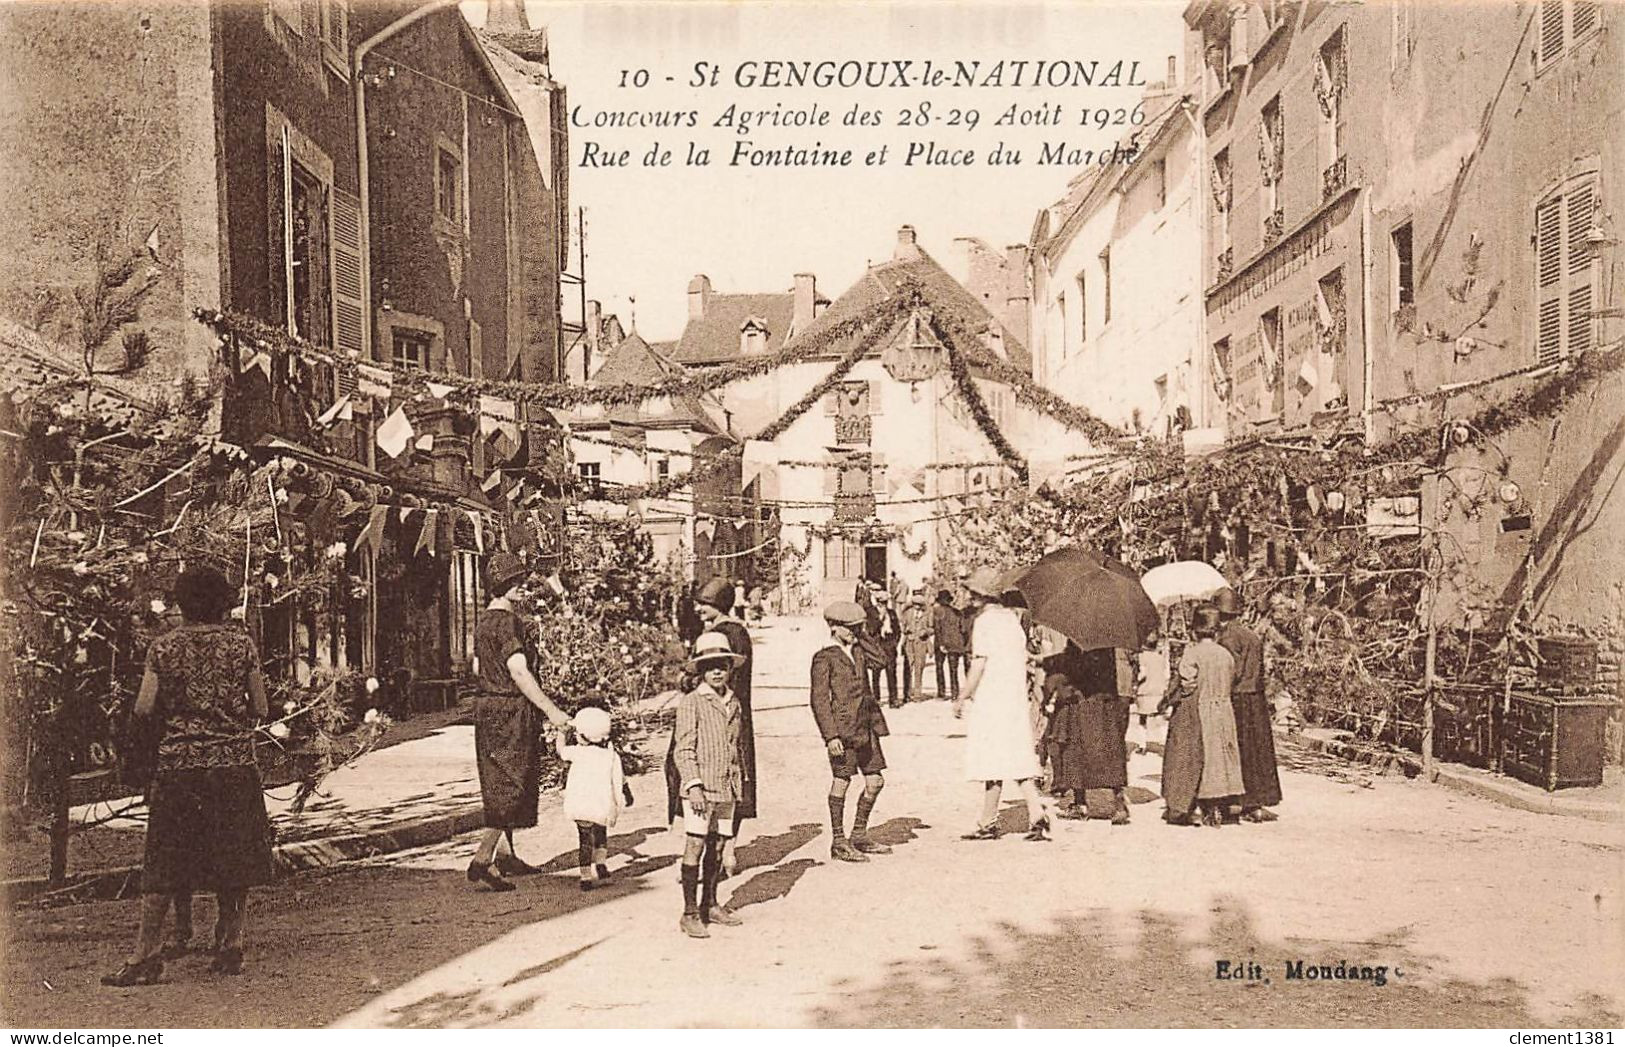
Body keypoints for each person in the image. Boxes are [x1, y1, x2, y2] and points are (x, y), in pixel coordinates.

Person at [103, 566, 273, 986]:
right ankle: (230, 944)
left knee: (165, 861)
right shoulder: (241, 645)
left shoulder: (163, 648)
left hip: (180, 768)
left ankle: (145, 954)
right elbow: (261, 706)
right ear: (222, 602)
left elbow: (144, 708)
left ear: (181, 602)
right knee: (233, 858)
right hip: (234, 764)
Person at [468, 552, 571, 892]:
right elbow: (518, 670)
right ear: (507, 587)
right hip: (509, 708)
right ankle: (484, 857)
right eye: (519, 583)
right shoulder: (508, 622)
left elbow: (476, 667)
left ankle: (506, 856)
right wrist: (551, 710)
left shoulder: (483, 621)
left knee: (499, 777)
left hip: (486, 707)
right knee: (514, 781)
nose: (526, 588)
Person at [665, 577, 756, 877]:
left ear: (718, 605)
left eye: (704, 604)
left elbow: (722, 679)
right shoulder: (731, 631)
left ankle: (716, 854)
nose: (698, 608)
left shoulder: (727, 634)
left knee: (718, 780)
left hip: (719, 716)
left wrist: (689, 680)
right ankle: (721, 853)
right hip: (724, 711)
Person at [957, 567, 1051, 842]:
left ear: (980, 597)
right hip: (1013, 697)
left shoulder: (984, 623)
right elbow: (1023, 656)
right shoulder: (1012, 620)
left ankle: (988, 822)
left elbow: (979, 663)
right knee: (1015, 753)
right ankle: (1036, 813)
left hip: (992, 697)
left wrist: (963, 695)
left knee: (991, 757)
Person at [672, 632, 748, 937]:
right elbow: (683, 748)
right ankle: (690, 912)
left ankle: (710, 903)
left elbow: (735, 745)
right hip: (701, 790)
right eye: (710, 666)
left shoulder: (733, 701)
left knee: (718, 845)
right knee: (695, 844)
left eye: (722, 666)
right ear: (701, 671)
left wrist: (740, 780)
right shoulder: (693, 702)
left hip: (726, 786)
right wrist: (693, 786)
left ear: (730, 668)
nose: (717, 672)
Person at [809, 601, 891, 863]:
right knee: (842, 781)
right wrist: (830, 736)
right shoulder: (825, 657)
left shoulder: (858, 650)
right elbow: (819, 700)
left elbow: (881, 661)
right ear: (834, 627)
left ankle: (859, 834)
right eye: (850, 628)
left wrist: (862, 635)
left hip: (866, 727)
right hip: (843, 732)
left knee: (875, 781)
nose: (855, 631)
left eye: (858, 627)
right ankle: (838, 841)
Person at [1171, 604, 1245, 827]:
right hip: (1223, 709)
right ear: (1216, 630)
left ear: (1194, 630)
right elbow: (1234, 679)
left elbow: (1187, 685)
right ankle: (1223, 803)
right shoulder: (1226, 655)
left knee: (1198, 756)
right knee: (1222, 755)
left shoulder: (1192, 653)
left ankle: (1198, 805)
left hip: (1201, 709)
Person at [1041, 643, 1132, 824]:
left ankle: (1080, 803)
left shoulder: (1076, 644)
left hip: (1081, 706)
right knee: (1110, 753)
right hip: (1106, 706)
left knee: (1075, 753)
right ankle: (1119, 801)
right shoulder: (1109, 646)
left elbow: (1068, 675)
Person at [1216, 589, 1282, 822]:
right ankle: (1257, 803)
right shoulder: (1251, 635)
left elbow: (1232, 671)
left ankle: (1237, 801)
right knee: (1258, 751)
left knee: (1237, 750)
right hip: (1256, 698)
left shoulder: (1228, 638)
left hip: (1238, 698)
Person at [558, 706, 632, 891]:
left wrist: (561, 732)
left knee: (584, 840)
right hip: (601, 804)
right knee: (601, 833)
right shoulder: (611, 755)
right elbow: (621, 778)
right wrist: (627, 793)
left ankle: (585, 877)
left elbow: (560, 750)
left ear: (581, 736)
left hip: (582, 806)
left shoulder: (578, 752)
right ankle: (601, 863)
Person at [1130, 632, 1170, 755]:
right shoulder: (1160, 658)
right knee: (1160, 718)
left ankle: (1142, 745)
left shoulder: (1141, 657)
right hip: (1158, 690)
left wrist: (1135, 683)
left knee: (1143, 719)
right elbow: (1166, 674)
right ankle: (1164, 743)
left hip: (1145, 691)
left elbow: (1143, 673)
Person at [932, 589, 967, 705]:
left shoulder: (937, 611)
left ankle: (941, 692)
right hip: (956, 644)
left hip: (942, 643)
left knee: (939, 668)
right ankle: (954, 693)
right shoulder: (958, 612)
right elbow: (963, 629)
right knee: (954, 670)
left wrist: (941, 643)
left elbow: (937, 629)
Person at [870, 590, 903, 708]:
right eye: (881, 603)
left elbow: (898, 630)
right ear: (877, 602)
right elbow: (871, 630)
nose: (883, 605)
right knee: (876, 674)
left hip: (889, 645)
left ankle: (893, 699)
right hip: (878, 646)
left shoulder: (892, 613)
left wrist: (895, 642)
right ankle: (876, 698)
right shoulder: (871, 613)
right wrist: (880, 619)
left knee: (891, 674)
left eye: (885, 602)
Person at [900, 591, 933, 702]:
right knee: (908, 668)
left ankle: (918, 694)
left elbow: (932, 628)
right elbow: (902, 627)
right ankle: (907, 693)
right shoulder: (907, 613)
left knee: (919, 668)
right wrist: (906, 630)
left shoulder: (927, 614)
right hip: (909, 642)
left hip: (921, 643)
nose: (917, 607)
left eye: (919, 605)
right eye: (915, 604)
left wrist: (926, 632)